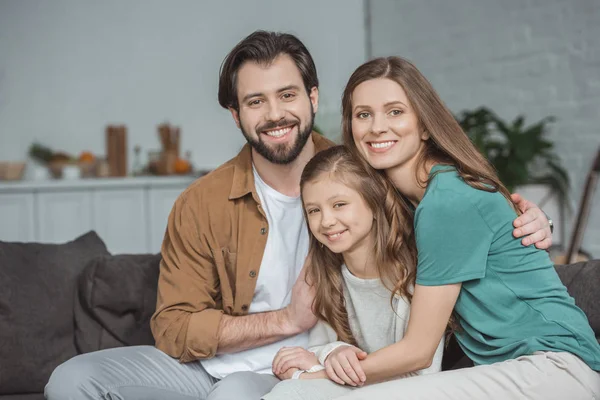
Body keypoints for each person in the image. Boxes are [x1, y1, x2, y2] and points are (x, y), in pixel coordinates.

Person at [44, 32, 553, 400]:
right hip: (206, 367)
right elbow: (174, 330)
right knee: (71, 380)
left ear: (312, 99)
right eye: (255, 101)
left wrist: (525, 217)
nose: (275, 114)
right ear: (236, 114)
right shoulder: (201, 202)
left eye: (288, 95)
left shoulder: (368, 174)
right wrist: (285, 319)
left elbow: (457, 208)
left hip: (299, 366)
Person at [269, 56, 600, 399]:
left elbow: (417, 351)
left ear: (425, 125)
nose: (377, 126)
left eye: (395, 111)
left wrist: (313, 376)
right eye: (363, 114)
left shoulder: (446, 200)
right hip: (508, 367)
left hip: (555, 366)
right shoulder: (407, 201)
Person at [263, 145, 444, 400]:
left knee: (290, 392)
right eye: (314, 210)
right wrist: (335, 353)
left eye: (339, 204)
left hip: (417, 392)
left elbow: (421, 372)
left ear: (373, 201)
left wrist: (312, 375)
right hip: (360, 388)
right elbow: (319, 347)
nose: (326, 221)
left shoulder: (413, 277)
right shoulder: (328, 274)